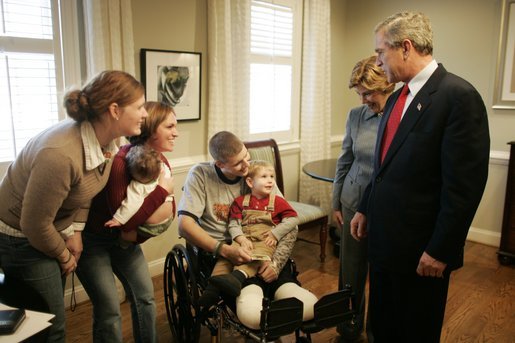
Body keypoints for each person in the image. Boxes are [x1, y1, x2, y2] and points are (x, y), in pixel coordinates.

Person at [350, 12, 490, 342]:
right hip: (385, 245)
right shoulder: (396, 97)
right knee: (382, 327)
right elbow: (383, 165)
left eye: (381, 52)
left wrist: (441, 250)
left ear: (406, 47)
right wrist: (365, 207)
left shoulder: (458, 97)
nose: (378, 61)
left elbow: (463, 188)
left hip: (421, 253)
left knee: (414, 331)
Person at [0, 70, 148, 342]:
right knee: (50, 327)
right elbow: (33, 224)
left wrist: (76, 231)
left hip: (48, 229)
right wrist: (64, 255)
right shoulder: (60, 154)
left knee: (50, 321)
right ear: (114, 110)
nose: (145, 114)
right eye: (139, 107)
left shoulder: (107, 142)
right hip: (20, 238)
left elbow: (84, 190)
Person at [178, 131, 317, 330]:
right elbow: (185, 225)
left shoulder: (257, 172)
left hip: (265, 245)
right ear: (220, 164)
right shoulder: (200, 175)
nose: (246, 166)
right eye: (238, 164)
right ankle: (258, 309)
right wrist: (226, 250)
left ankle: (289, 298)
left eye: (247, 156)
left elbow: (289, 223)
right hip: (222, 250)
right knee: (248, 299)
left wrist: (276, 263)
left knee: (291, 290)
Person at [76, 101, 178, 342]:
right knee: (109, 310)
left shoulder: (160, 160)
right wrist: (162, 192)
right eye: (170, 126)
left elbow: (169, 210)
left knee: (145, 297)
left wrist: (135, 234)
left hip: (126, 242)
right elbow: (126, 221)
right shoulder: (122, 162)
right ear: (152, 130)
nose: (176, 132)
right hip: (94, 242)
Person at [332, 55, 394, 341]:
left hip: (386, 208)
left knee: (383, 274)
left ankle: (377, 332)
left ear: (385, 84)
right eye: (360, 94)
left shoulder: (401, 115)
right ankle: (348, 327)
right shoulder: (356, 116)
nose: (364, 100)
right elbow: (345, 160)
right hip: (352, 200)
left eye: (368, 92)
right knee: (351, 272)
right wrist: (336, 202)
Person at [200, 160, 299, 305]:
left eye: (272, 176)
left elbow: (293, 219)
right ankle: (212, 290)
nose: (270, 181)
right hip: (244, 238)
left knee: (256, 257)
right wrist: (240, 239)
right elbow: (234, 224)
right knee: (226, 258)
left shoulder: (277, 202)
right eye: (264, 176)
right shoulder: (240, 202)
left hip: (264, 241)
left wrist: (275, 234)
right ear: (250, 182)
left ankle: (237, 277)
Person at [104, 144, 175, 244]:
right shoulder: (163, 171)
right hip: (164, 222)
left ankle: (124, 243)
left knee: (125, 237)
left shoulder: (137, 187)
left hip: (150, 227)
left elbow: (129, 205)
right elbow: (170, 187)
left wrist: (117, 220)